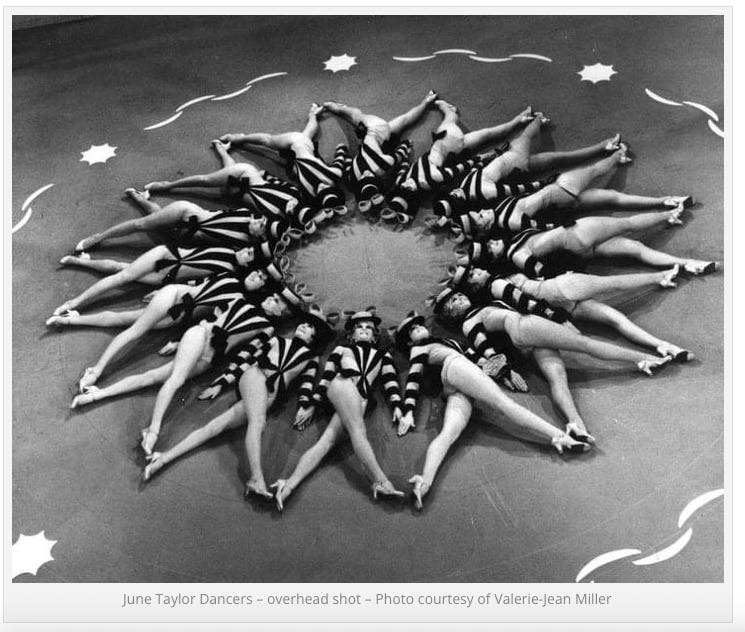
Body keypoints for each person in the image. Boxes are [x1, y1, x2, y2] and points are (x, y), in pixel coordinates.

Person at [393, 311, 588, 510]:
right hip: (455, 367)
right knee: (505, 404)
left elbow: (480, 361)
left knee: (449, 432)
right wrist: (408, 410)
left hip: (454, 381)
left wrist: (504, 373)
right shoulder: (418, 349)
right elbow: (413, 379)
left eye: (419, 325)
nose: (419, 327)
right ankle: (559, 436)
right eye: (412, 330)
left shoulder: (445, 343)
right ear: (408, 342)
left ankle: (424, 482)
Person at [70, 290, 303, 455]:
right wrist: (177, 342)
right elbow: (210, 317)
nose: (271, 299)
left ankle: (96, 394)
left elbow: (244, 357)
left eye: (276, 301)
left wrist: (221, 383)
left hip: (209, 359)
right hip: (200, 336)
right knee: (176, 380)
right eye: (273, 296)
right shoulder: (239, 300)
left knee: (152, 377)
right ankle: (153, 431)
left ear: (281, 312)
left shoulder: (267, 330)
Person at [142, 305, 337, 498]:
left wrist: (307, 406)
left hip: (270, 396)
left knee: (215, 426)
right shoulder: (277, 340)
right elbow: (246, 360)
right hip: (256, 377)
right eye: (303, 323)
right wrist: (221, 382)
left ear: (314, 337)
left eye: (310, 327)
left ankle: (163, 458)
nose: (303, 326)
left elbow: (307, 385)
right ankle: (256, 478)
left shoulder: (312, 359)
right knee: (257, 423)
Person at [47, 261, 289, 393]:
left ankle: (71, 319)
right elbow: (197, 283)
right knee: (134, 330)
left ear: (262, 290)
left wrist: (177, 342)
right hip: (174, 298)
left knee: (125, 319)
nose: (256, 277)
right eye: (257, 273)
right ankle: (96, 370)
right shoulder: (229, 275)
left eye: (261, 279)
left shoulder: (240, 303)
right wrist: (162, 291)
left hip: (179, 316)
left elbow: (207, 322)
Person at [270, 309, 405, 511]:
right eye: (359, 327)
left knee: (326, 442)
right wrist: (312, 405)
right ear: (351, 334)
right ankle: (381, 481)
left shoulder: (382, 355)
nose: (364, 330)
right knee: (358, 432)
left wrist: (398, 406)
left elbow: (390, 382)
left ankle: (288, 485)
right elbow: (326, 378)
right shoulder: (342, 349)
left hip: (360, 400)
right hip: (342, 384)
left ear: (375, 335)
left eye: (369, 328)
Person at [449, 263, 693, 361]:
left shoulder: (497, 283)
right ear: (473, 287)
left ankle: (662, 347)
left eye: (474, 269)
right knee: (613, 307)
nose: (477, 271)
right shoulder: (496, 287)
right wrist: (556, 317)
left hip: (560, 302)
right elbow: (527, 303)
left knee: (614, 316)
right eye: (472, 275)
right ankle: (662, 345)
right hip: (559, 301)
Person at [447, 145, 694, 239]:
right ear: (484, 227)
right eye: (479, 218)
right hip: (562, 191)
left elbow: (525, 200)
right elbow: (536, 226)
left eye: (477, 213)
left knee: (613, 198)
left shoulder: (500, 215)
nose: (481, 213)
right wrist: (558, 225)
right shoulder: (509, 221)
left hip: (563, 201)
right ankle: (618, 154)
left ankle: (667, 202)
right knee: (596, 171)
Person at [434, 287, 673, 378]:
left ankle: (574, 424)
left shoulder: (480, 309)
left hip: (526, 334)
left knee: (558, 377)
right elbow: (484, 347)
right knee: (584, 344)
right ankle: (642, 359)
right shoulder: (468, 323)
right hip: (524, 328)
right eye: (453, 301)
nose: (459, 297)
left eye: (458, 294)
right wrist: (505, 372)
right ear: (450, 314)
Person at [454, 208, 721, 279]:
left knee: (636, 249)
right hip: (579, 235)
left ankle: (688, 264)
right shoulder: (516, 255)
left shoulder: (514, 244)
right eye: (490, 248)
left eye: (490, 242)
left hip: (580, 249)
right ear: (495, 256)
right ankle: (669, 213)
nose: (494, 242)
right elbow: (541, 271)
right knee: (627, 224)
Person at [50, 236, 283, 317]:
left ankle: (82, 261)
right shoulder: (228, 248)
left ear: (248, 264)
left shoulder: (229, 274)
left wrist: (160, 291)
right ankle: (75, 303)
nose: (245, 251)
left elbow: (199, 282)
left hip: (167, 276)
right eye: (248, 248)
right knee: (123, 276)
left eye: (249, 254)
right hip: (166, 255)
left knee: (121, 269)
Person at [143, 140, 325, 233]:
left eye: (292, 210)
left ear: (290, 215)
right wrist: (264, 175)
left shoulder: (274, 216)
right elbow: (277, 182)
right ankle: (167, 186)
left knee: (225, 179)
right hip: (246, 175)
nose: (292, 205)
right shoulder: (294, 193)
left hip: (239, 191)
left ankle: (221, 149)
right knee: (206, 181)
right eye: (296, 205)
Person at [220, 103, 350, 216]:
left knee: (309, 132)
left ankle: (313, 113)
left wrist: (268, 176)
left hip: (297, 159)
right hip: (297, 143)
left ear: (318, 197)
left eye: (321, 191)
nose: (322, 186)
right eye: (326, 187)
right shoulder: (334, 174)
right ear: (333, 187)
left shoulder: (308, 195)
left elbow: (287, 187)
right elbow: (339, 160)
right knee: (267, 140)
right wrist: (341, 149)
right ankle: (237, 138)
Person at [322, 90, 438, 212]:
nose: (366, 174)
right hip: (378, 130)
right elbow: (398, 154)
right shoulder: (378, 167)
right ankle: (427, 101)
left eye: (363, 178)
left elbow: (346, 163)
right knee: (400, 120)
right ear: (376, 180)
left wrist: (342, 151)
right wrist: (405, 145)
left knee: (359, 116)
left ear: (358, 186)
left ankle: (341, 109)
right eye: (370, 177)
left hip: (376, 133)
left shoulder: (354, 178)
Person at [73, 188, 288, 252]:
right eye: (260, 220)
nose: (257, 221)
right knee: (142, 225)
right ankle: (99, 237)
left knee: (161, 226)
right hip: (186, 213)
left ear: (260, 237)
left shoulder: (243, 245)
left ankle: (141, 199)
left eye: (261, 226)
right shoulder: (244, 215)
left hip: (188, 236)